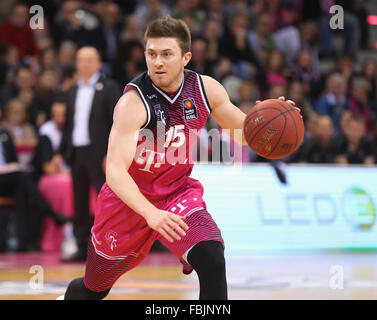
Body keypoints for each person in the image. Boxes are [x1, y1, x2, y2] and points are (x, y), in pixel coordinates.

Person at [61, 16, 300, 300]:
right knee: (94, 289)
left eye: (166, 54)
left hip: (177, 193)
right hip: (129, 202)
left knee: (212, 258)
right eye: (151, 54)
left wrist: (266, 125)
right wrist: (150, 213)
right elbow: (114, 171)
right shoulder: (133, 103)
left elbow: (244, 134)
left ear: (186, 57)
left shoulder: (206, 89)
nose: (157, 62)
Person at [59, 46, 121, 262]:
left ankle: (109, 245)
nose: (84, 64)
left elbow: (117, 124)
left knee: (105, 200)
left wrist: (110, 153)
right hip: (77, 152)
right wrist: (63, 152)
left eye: (89, 60)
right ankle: (81, 245)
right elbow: (69, 125)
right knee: (79, 201)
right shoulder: (72, 90)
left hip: (100, 154)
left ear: (98, 63)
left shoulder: (109, 87)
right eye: (80, 60)